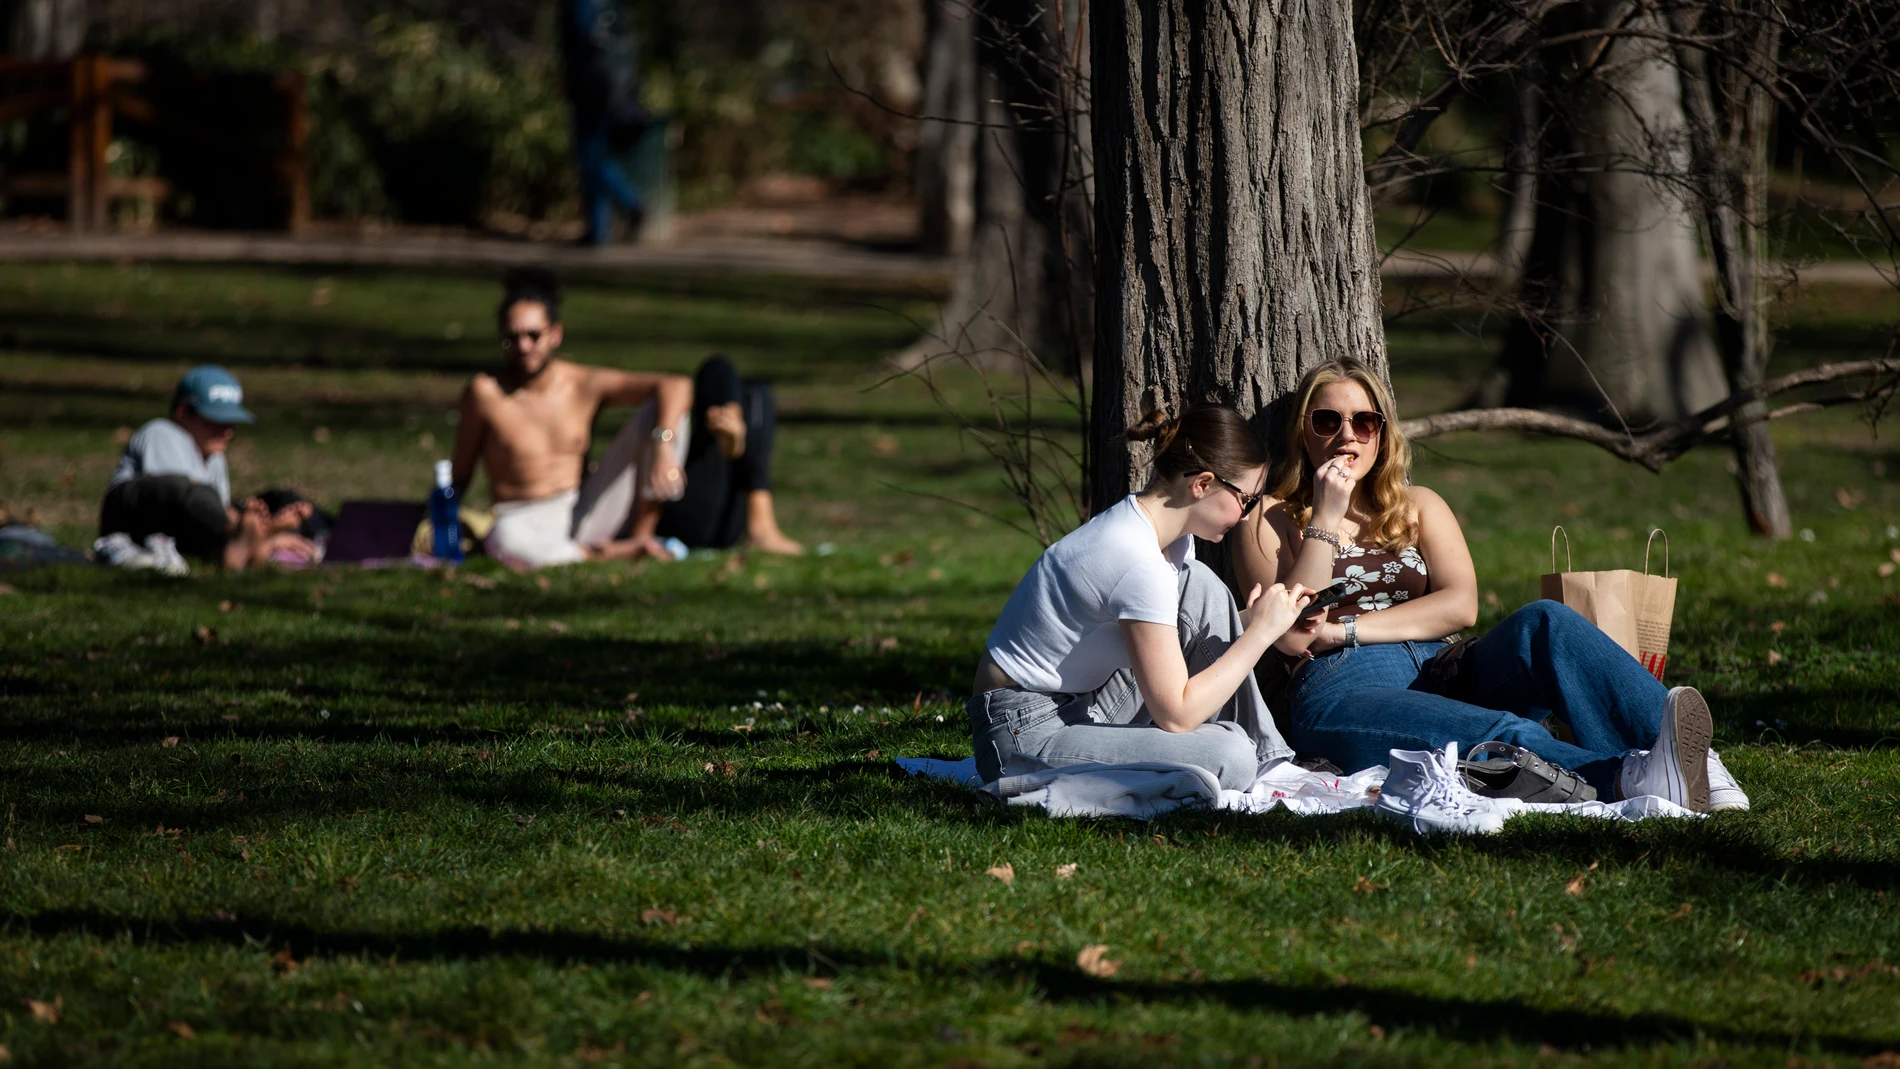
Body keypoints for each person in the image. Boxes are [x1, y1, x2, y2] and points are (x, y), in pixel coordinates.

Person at [1230, 359, 1747, 813]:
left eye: (1364, 422)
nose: (1347, 436)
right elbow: (1292, 635)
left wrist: (1346, 630)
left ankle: (1693, 759)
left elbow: (1461, 606)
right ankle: (1624, 775)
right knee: (1498, 732)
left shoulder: (1417, 505)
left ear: (1382, 434)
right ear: (1304, 432)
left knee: (1548, 621)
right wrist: (1325, 517)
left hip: (1441, 663)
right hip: (1342, 688)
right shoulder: (1270, 518)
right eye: (1328, 421)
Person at [968, 404, 1317, 790]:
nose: (1248, 514)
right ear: (1201, 484)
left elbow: (1172, 631)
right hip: (1021, 736)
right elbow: (1177, 715)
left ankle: (1266, 760)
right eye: (1246, 499)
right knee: (1230, 757)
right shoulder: (1138, 560)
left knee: (1200, 584)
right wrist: (1260, 636)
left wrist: (1256, 621)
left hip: (1082, 700)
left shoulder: (1163, 535)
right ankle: (1253, 759)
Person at [451, 268, 801, 567]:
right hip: (522, 516)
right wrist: (436, 518)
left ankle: (638, 537)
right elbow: (460, 472)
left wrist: (662, 446)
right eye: (512, 339)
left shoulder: (581, 383)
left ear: (555, 334)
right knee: (506, 538)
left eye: (533, 336)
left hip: (582, 507)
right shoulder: (485, 393)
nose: (524, 346)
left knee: (662, 408)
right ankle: (606, 553)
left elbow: (676, 385)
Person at [99, 365, 315, 570]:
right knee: (194, 492)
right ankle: (241, 539)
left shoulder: (213, 456)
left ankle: (243, 545)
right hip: (130, 518)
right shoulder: (162, 432)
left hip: (174, 532)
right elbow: (177, 497)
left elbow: (213, 510)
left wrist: (258, 527)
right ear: (183, 412)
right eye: (217, 421)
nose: (228, 432)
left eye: (231, 423)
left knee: (233, 509)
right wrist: (247, 525)